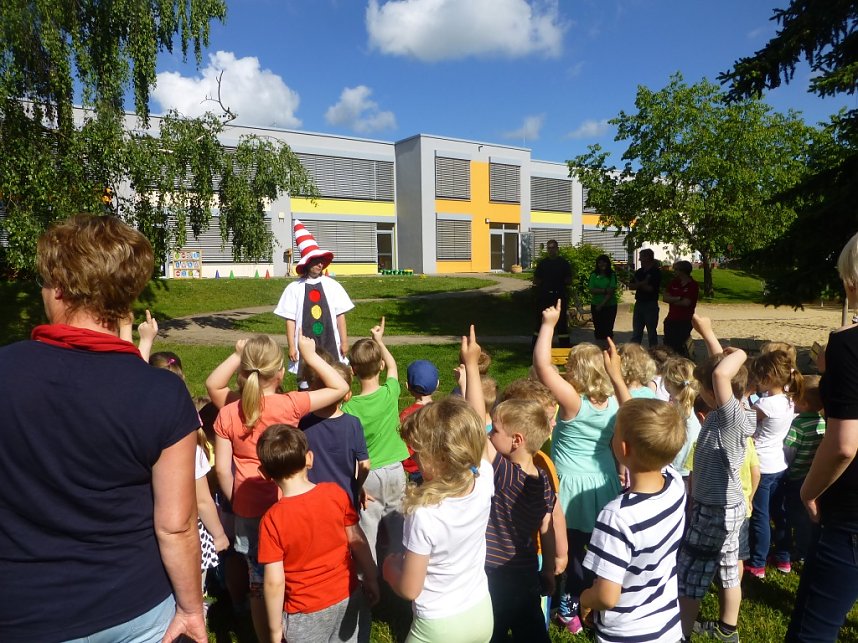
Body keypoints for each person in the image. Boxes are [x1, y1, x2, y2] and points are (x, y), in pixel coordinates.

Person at [0, 214, 205, 642]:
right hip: (136, 609)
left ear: (59, 288)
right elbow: (176, 525)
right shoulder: (162, 393)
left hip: (26, 612)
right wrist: (191, 608)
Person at [212, 333, 349, 641]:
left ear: (244, 373)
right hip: (285, 503)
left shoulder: (229, 411)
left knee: (259, 584)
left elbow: (222, 467)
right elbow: (340, 387)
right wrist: (310, 356)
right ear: (279, 374)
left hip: (247, 510)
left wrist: (237, 355)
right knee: (292, 570)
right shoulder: (290, 404)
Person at [383, 327, 495, 643]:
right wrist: (471, 366)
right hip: (480, 613)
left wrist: (391, 569)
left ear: (436, 459)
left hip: (438, 627)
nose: (415, 459)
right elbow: (477, 418)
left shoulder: (425, 513)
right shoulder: (482, 478)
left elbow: (410, 588)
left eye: (418, 453)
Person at [786, 230, 858, 642]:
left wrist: (809, 492)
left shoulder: (848, 345)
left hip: (850, 516)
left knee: (811, 631)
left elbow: (845, 445)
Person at [533, 300, 620, 635]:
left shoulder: (572, 402)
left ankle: (566, 602)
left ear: (577, 371)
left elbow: (542, 366)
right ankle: (594, 600)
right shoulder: (613, 402)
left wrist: (549, 324)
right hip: (603, 482)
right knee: (596, 548)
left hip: (568, 487)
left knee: (564, 549)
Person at [257, 425, 379, 643]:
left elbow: (274, 582)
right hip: (347, 596)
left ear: (264, 473)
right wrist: (371, 577)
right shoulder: (335, 494)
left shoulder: (272, 520)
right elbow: (357, 540)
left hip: (304, 611)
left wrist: (275, 630)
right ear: (309, 459)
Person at [580, 395, 687, 643]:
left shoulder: (617, 517)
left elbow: (606, 597)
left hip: (626, 635)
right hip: (667, 627)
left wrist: (585, 599)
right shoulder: (676, 485)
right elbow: (652, 433)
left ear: (624, 448)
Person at [677, 315, 755, 643]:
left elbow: (722, 371)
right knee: (727, 570)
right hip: (729, 508)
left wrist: (742, 354)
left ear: (713, 393)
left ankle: (679, 635)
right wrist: (707, 331)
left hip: (714, 511)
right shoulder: (730, 410)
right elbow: (720, 370)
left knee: (690, 575)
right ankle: (728, 630)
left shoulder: (730, 418)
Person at [485, 398, 557, 643]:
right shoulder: (543, 480)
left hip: (494, 576)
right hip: (528, 574)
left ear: (516, 440)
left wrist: (472, 367)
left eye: (494, 430)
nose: (488, 435)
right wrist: (548, 570)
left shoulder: (504, 474)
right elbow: (547, 528)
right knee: (532, 632)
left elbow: (475, 420)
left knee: (490, 633)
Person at [343, 317, 409, 563]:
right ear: (379, 365)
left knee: (367, 534)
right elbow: (393, 367)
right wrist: (379, 341)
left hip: (367, 475)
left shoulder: (349, 407)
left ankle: (367, 580)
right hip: (395, 470)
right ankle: (402, 575)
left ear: (353, 370)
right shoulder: (390, 392)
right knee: (398, 529)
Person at [746, 350, 804, 578]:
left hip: (761, 466)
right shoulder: (789, 400)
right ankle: (783, 558)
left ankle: (757, 562)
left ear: (768, 377)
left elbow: (744, 421)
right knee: (779, 514)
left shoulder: (765, 405)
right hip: (779, 464)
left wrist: (749, 392)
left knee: (759, 515)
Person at [273, 219, 354, 379]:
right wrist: (291, 346)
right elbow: (290, 321)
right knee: (307, 376)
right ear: (307, 263)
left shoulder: (332, 286)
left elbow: (340, 315)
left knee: (332, 374)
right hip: (304, 341)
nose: (319, 265)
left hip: (330, 340)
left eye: (321, 261)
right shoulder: (294, 288)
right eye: (315, 261)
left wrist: (344, 342)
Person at [298, 358, 371, 510]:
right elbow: (365, 464)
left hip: (311, 498)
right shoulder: (353, 424)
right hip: (344, 498)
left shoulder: (303, 422)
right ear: (347, 395)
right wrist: (356, 487)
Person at [783, 375, 826, 562]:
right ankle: (811, 543)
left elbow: (789, 450)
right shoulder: (822, 423)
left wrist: (787, 466)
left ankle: (801, 550)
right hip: (814, 474)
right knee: (808, 515)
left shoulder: (798, 424)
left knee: (796, 514)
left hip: (796, 476)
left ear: (804, 403)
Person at [533, 239, 573, 348]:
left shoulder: (563, 263)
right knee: (541, 321)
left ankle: (564, 347)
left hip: (559, 296)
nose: (551, 250)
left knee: (561, 323)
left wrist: (559, 280)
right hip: (545, 296)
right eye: (549, 248)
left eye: (553, 247)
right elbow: (536, 280)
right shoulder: (542, 264)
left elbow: (569, 280)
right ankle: (536, 347)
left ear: (557, 249)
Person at [662, 260, 700, 357]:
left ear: (682, 271)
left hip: (685, 320)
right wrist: (679, 298)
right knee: (668, 345)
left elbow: (686, 303)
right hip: (671, 318)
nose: (674, 271)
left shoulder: (693, 285)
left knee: (681, 346)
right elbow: (665, 298)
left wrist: (672, 300)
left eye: (676, 269)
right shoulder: (674, 282)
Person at [628, 248, 662, 347]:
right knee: (636, 331)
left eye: (641, 257)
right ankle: (633, 353)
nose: (639, 259)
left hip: (650, 304)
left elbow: (651, 289)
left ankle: (654, 353)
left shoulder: (655, 272)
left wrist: (638, 284)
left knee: (651, 332)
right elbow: (631, 286)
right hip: (639, 303)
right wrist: (643, 283)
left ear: (648, 257)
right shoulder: (639, 271)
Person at [588, 254, 618, 345]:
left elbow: (611, 291)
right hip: (595, 305)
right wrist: (604, 290)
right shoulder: (593, 275)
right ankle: (598, 349)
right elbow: (591, 289)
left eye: (604, 262)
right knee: (598, 329)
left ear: (607, 263)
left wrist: (601, 304)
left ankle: (609, 349)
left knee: (608, 330)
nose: (602, 264)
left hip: (610, 306)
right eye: (599, 263)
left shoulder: (612, 275)